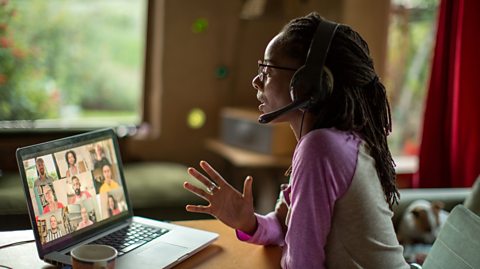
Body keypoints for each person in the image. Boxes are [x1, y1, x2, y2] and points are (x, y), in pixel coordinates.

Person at [183, 12, 410, 268]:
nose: (257, 81)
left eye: (267, 69)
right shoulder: (337, 141)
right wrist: (248, 222)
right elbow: (284, 226)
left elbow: (302, 263)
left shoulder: (321, 148)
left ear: (308, 84)